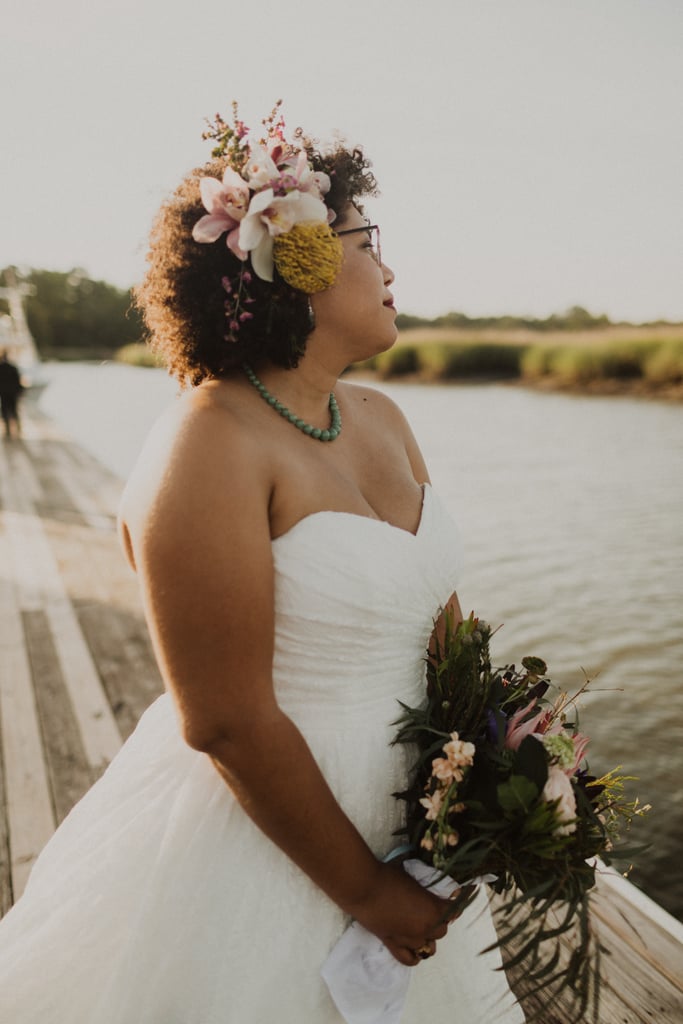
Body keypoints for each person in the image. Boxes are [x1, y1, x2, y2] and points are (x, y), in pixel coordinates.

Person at [0, 105, 524, 1023]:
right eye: (369, 241)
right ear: (296, 254)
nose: (393, 267)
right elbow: (226, 719)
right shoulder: (207, 447)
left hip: (413, 821)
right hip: (279, 843)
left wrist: (503, 772)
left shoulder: (384, 419)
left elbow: (440, 631)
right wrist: (365, 890)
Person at [0, 349, 23, 438]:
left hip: (4, 393)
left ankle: (8, 431)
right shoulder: (13, 368)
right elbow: (18, 381)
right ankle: (18, 428)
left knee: (5, 411)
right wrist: (20, 391)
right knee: (14, 410)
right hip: (13, 393)